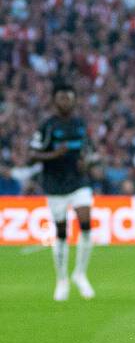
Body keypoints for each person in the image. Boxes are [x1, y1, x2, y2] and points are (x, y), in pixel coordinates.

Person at [28, 78, 95, 301]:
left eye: (69, 97)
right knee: (61, 233)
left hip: (78, 182)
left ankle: (80, 274)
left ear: (74, 100)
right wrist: (53, 155)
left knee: (86, 223)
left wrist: (87, 162)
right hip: (55, 185)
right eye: (61, 97)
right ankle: (62, 280)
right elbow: (31, 155)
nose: (65, 101)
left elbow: (90, 151)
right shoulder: (47, 126)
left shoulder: (80, 124)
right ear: (55, 101)